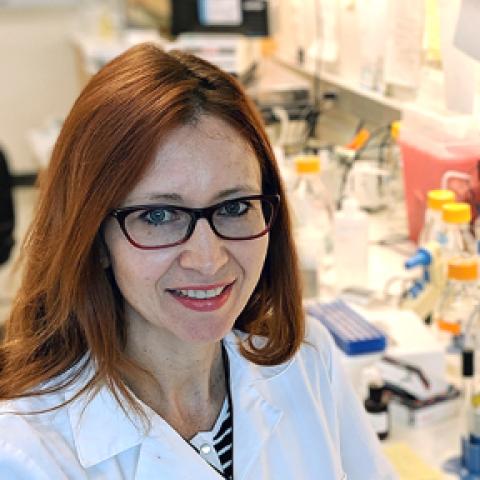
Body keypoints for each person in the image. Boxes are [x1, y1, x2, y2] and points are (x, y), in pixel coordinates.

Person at [0, 43, 397, 479]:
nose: (208, 260)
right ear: (94, 240)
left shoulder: (306, 359)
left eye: (233, 207)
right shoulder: (26, 455)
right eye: (158, 215)